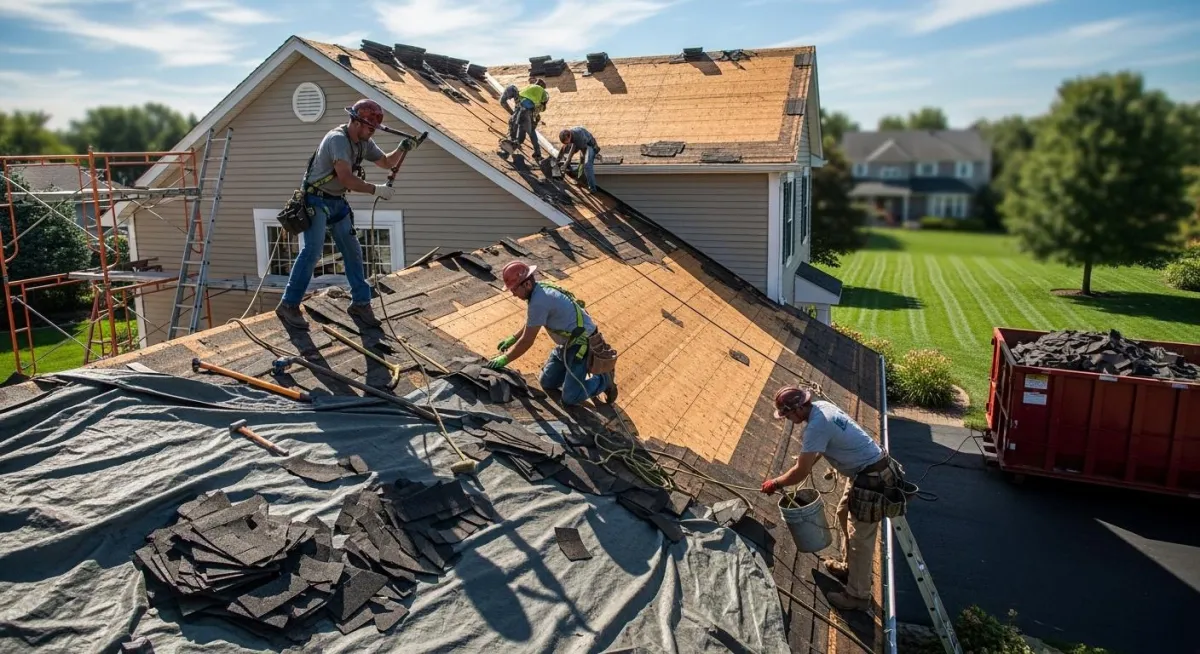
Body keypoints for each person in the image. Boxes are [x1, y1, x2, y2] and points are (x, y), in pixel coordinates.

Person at [760, 385, 907, 612]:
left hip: (873, 479)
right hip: (864, 472)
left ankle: (858, 596)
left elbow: (800, 472)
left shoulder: (817, 426)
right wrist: (807, 464)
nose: (788, 419)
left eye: (788, 415)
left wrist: (776, 483)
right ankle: (850, 569)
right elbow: (817, 452)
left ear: (799, 408)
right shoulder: (821, 407)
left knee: (861, 537)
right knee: (842, 512)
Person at [275, 99, 414, 331]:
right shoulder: (338, 140)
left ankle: (360, 303)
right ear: (357, 122)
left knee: (352, 250)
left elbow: (386, 162)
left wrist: (402, 148)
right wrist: (376, 190)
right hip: (315, 200)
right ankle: (288, 305)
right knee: (312, 251)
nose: (372, 132)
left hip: (336, 202)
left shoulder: (363, 142)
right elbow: (346, 179)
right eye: (370, 128)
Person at [487, 260, 617, 406]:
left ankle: (604, 380)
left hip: (582, 345)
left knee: (570, 398)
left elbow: (527, 341)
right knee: (547, 383)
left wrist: (505, 359)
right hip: (568, 342)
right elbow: (533, 322)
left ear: (527, 284)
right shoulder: (539, 290)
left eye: (514, 289)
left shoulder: (539, 302)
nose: (513, 294)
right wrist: (513, 338)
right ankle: (563, 362)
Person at [500, 80, 548, 160]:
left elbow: (503, 101)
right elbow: (542, 108)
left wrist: (513, 113)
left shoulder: (526, 92)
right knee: (531, 132)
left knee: (514, 129)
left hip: (524, 112)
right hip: (531, 115)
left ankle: (507, 151)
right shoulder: (541, 96)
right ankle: (537, 154)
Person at [557, 127, 599, 192]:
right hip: (581, 143)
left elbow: (582, 153)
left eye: (567, 142)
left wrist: (568, 160)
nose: (567, 143)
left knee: (587, 165)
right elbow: (572, 147)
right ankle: (566, 171)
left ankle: (592, 188)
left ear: (569, 137)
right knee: (565, 148)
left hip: (590, 145)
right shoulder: (570, 135)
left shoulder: (579, 138)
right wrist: (565, 163)